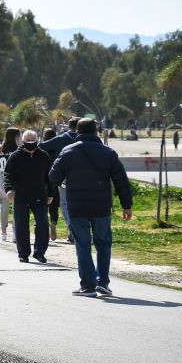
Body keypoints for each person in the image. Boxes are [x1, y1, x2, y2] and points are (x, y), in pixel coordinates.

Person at [49, 118, 133, 297]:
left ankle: (88, 285)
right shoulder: (108, 152)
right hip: (102, 207)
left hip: (77, 206)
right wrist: (127, 205)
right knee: (103, 244)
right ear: (96, 132)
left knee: (83, 244)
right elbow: (121, 180)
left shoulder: (68, 151)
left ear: (77, 132)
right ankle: (103, 282)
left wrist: (64, 182)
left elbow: (53, 175)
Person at [4, 130, 54, 264]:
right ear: (22, 141)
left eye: (33, 139)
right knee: (21, 226)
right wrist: (9, 190)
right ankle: (23, 253)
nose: (31, 142)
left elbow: (50, 177)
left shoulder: (44, 156)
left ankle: (39, 252)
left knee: (43, 224)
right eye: (28, 140)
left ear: (37, 140)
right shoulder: (15, 156)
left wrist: (51, 193)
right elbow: (8, 175)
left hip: (40, 196)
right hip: (20, 196)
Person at [39, 116, 80, 244]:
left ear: (68, 126)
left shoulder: (61, 139)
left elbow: (41, 146)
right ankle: (78, 229)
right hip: (83, 177)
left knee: (65, 204)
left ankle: (72, 229)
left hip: (64, 178)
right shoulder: (85, 139)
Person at [0, 128, 20, 242]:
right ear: (15, 137)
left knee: (3, 206)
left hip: (1, 178)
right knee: (17, 206)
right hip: (14, 178)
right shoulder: (18, 149)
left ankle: (3, 232)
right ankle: (15, 233)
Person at [42, 128, 61, 242]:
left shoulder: (41, 150)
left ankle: (42, 226)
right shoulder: (57, 151)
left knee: (42, 206)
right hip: (53, 180)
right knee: (54, 206)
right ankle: (53, 223)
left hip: (42, 181)